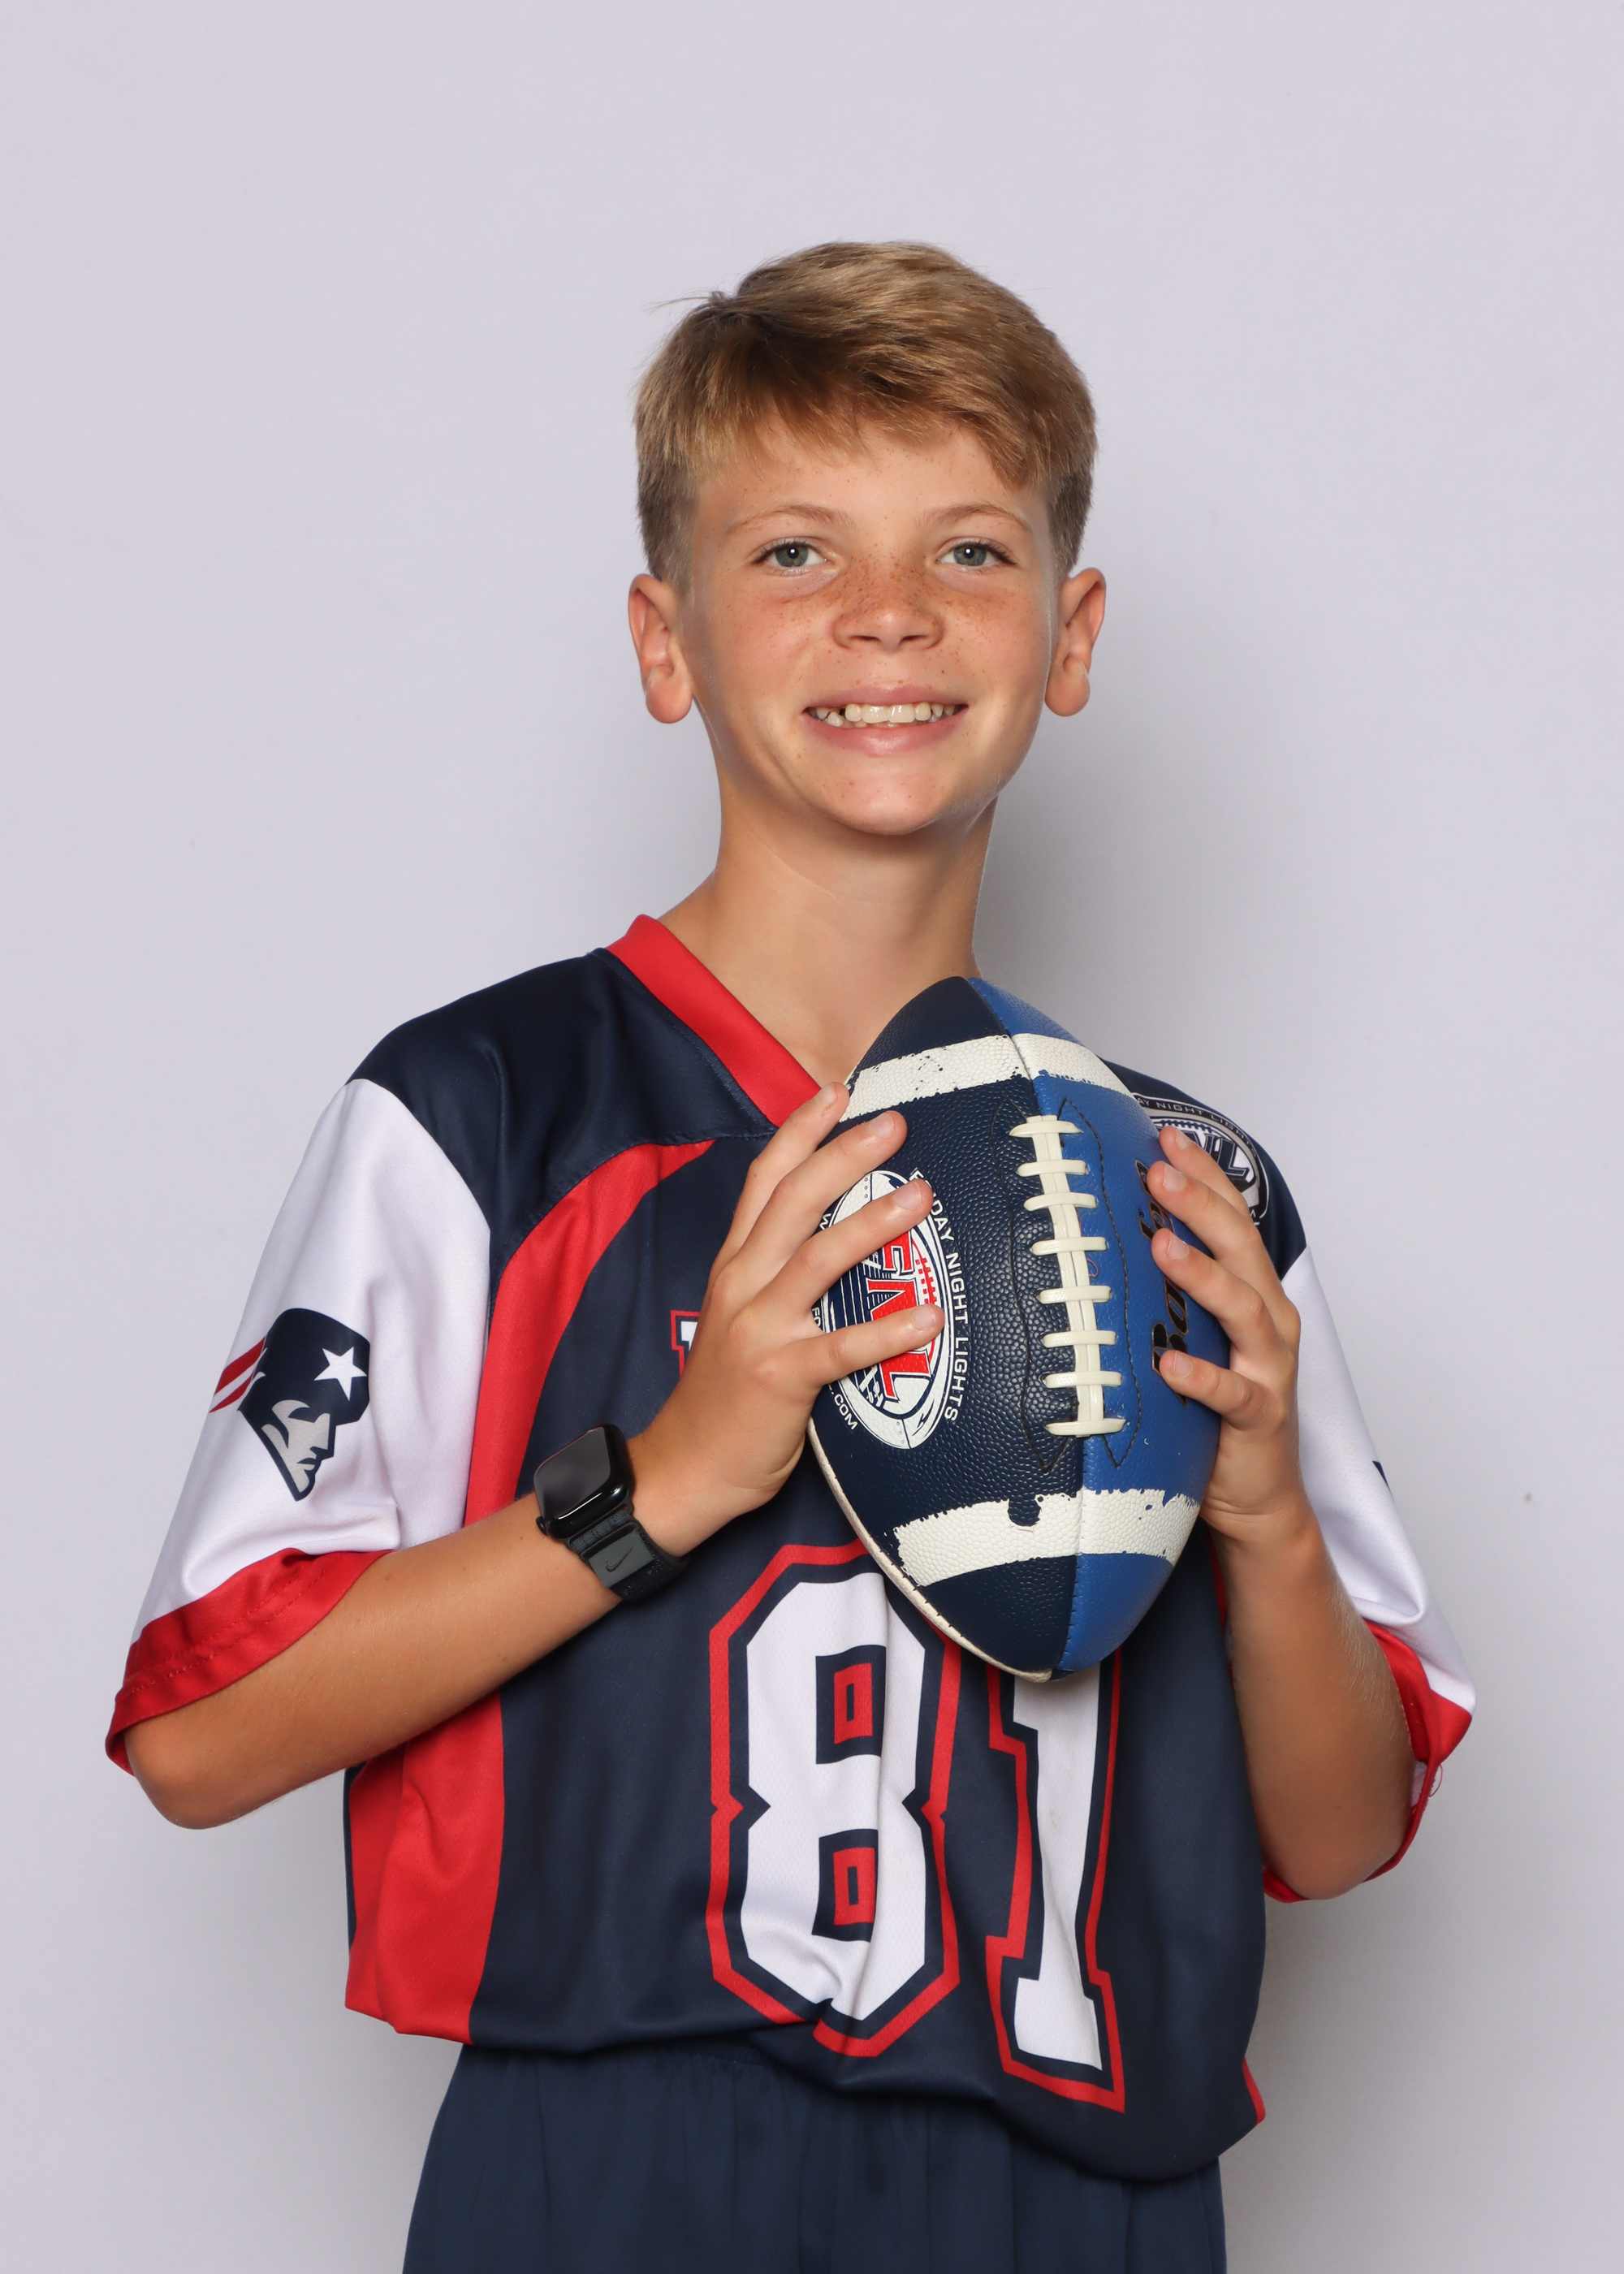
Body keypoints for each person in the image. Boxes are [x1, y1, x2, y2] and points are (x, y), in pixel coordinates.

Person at [109, 242, 1472, 2274]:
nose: (888, 611)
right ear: (664, 641)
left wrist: (1264, 1512)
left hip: (1085, 2184)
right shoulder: (491, 1111)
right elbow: (200, 1729)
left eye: (971, 551)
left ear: (1071, 634)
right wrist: (665, 1481)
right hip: (614, 2156)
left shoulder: (1181, 1182)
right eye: (794, 552)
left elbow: (1339, 1830)